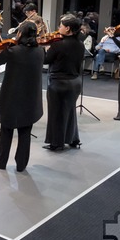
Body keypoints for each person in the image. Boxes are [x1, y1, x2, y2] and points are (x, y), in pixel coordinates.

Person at [0, 21, 44, 172]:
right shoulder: (40, 52)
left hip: (12, 97)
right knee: (25, 131)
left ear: (20, 34)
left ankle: (0, 161)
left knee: (6, 129)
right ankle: (21, 164)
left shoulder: (13, 51)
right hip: (31, 99)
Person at [43, 14, 84, 150]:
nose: (58, 28)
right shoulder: (80, 44)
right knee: (70, 110)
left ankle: (56, 143)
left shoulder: (58, 45)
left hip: (59, 83)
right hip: (75, 82)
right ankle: (73, 139)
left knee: (56, 113)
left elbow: (45, 60)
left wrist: (46, 48)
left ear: (67, 28)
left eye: (60, 25)